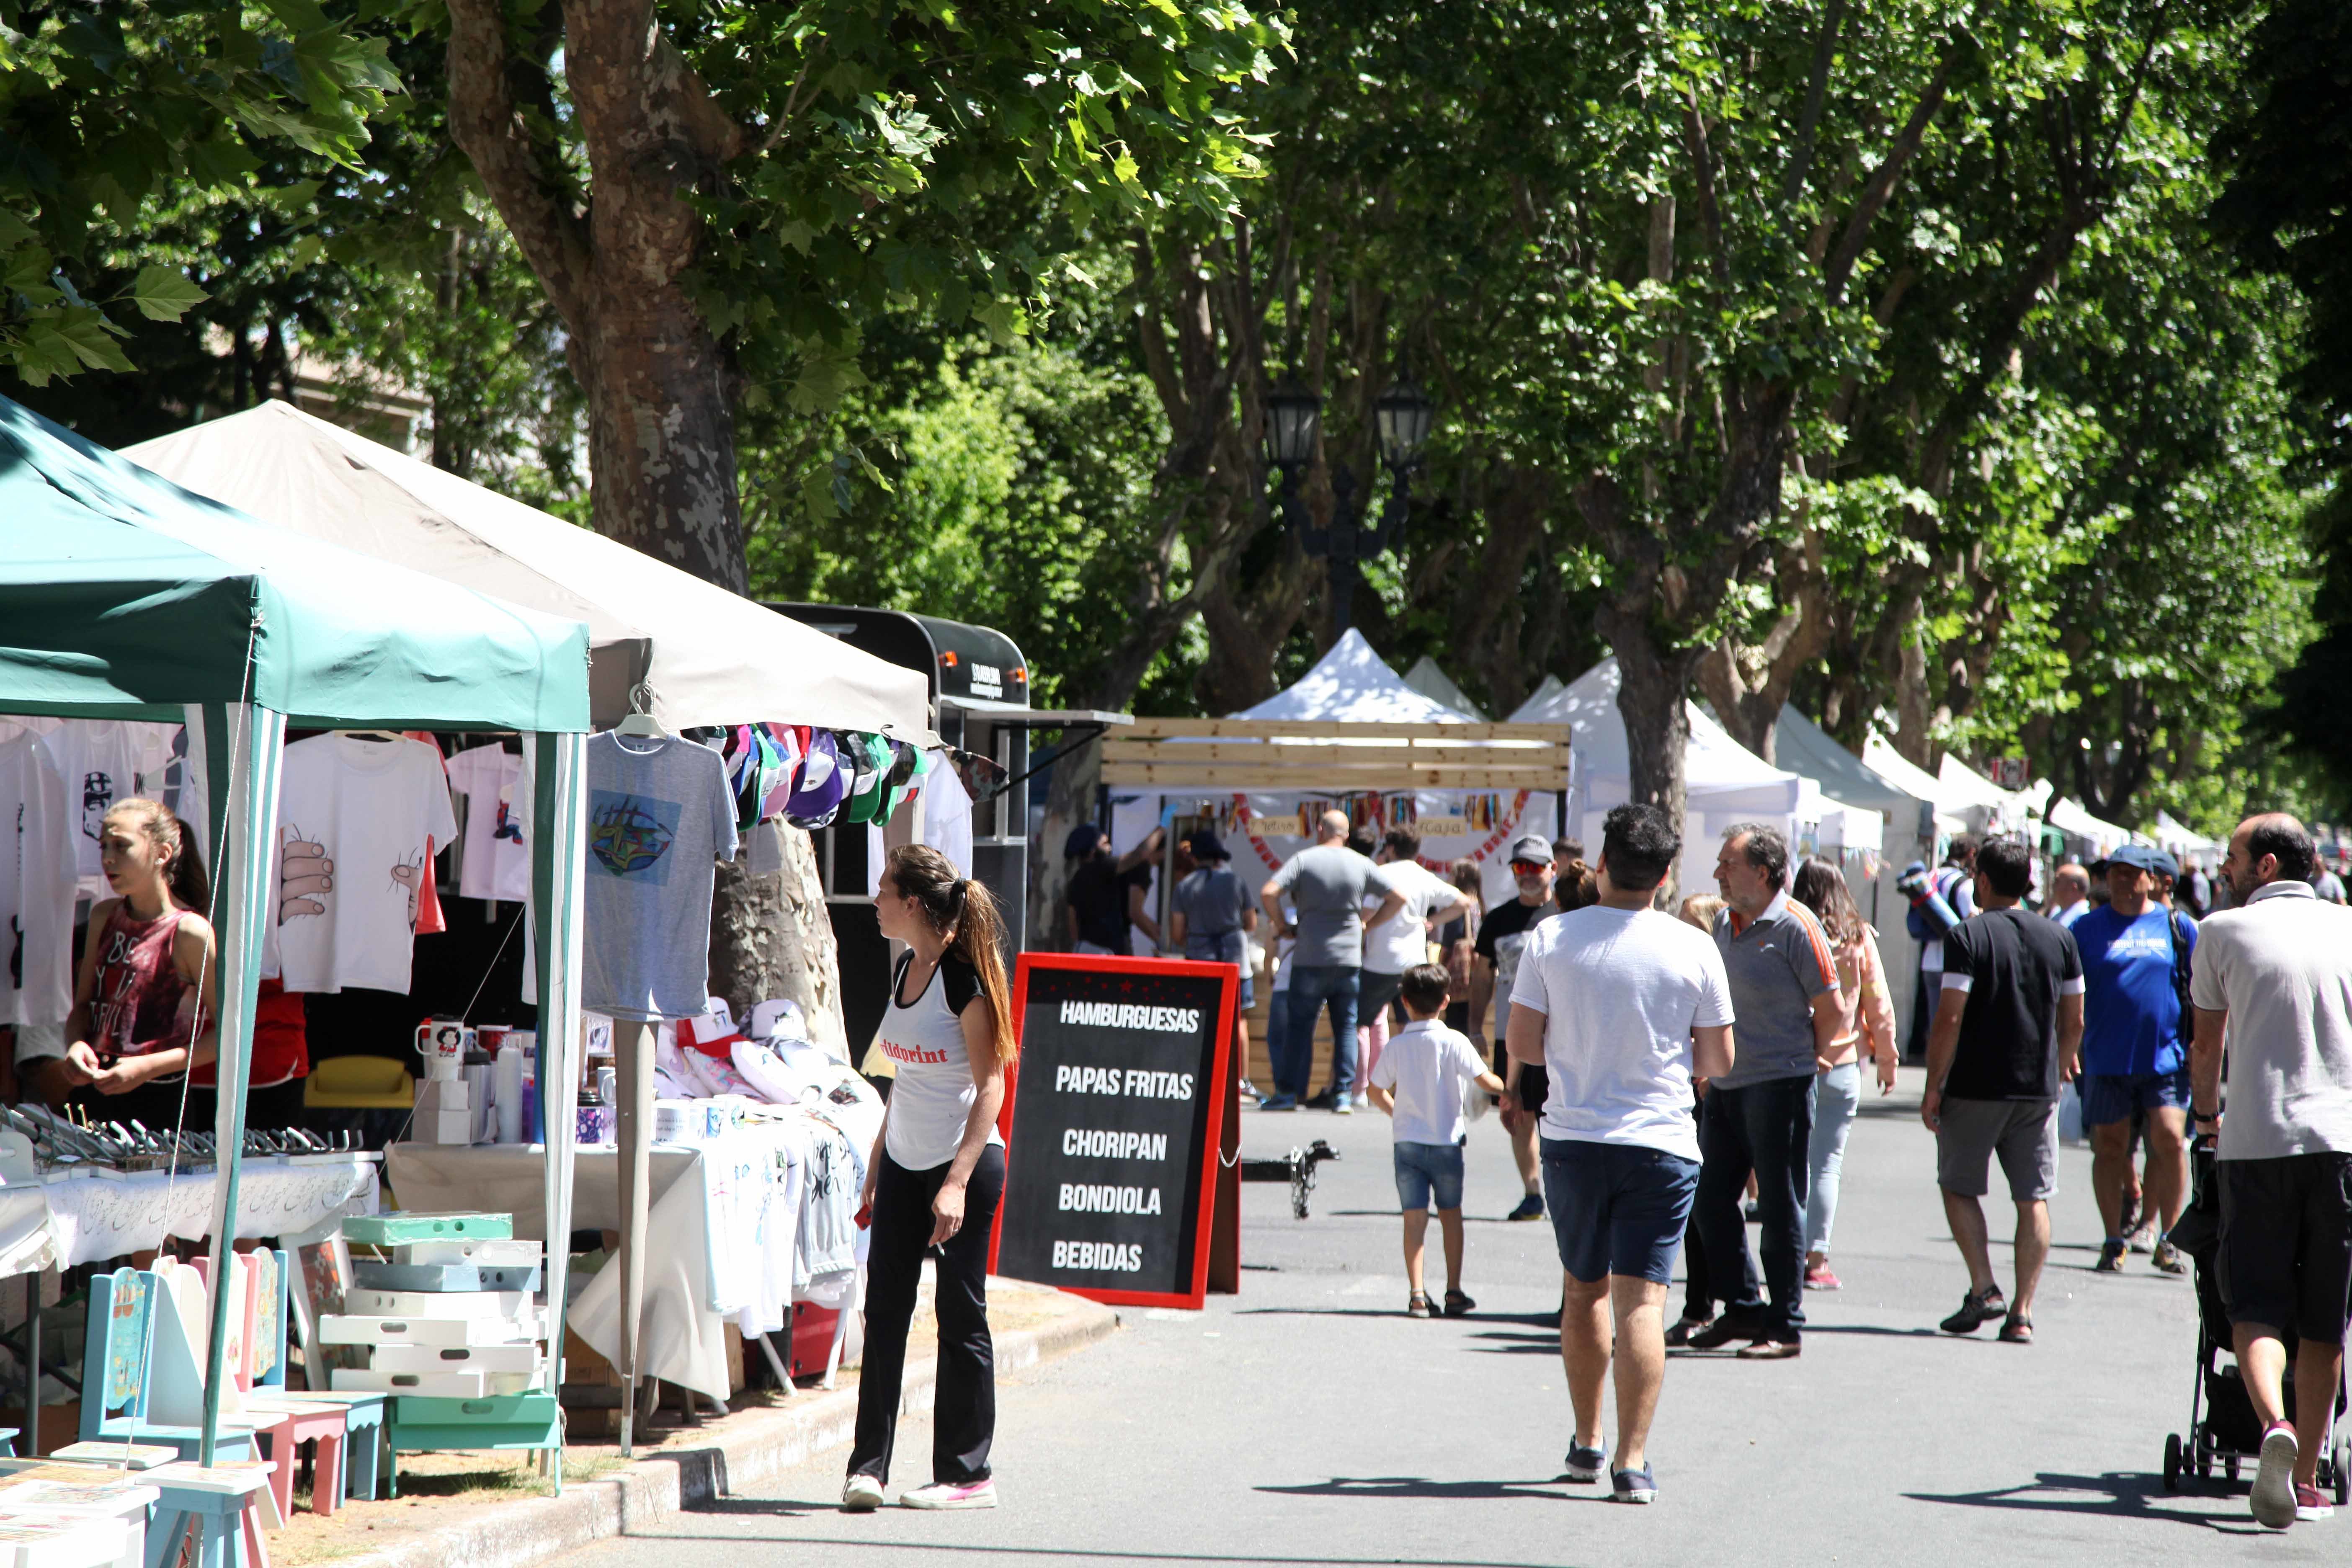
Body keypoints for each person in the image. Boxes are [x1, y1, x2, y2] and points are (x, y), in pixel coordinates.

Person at [1505, 804, 1735, 1505]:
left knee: (1583, 1288)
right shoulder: (1694, 945)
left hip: (1575, 1136)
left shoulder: (1551, 937)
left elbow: (1522, 1045)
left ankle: (1587, 1438)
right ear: (1666, 875)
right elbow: (1719, 1058)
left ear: (1602, 861)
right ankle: (1632, 1461)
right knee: (1645, 1299)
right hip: (1661, 1141)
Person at [2187, 813, 2352, 1530]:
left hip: (2256, 1139)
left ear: (2264, 864)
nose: (2224, 866)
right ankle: (2310, 1477)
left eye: (2231, 855)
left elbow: (2205, 1047)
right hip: (2343, 1142)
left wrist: (2204, 1121)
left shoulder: (2221, 931)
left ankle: (2275, 1425)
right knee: (2326, 1319)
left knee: (2252, 1305)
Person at [846, 844, 1017, 1512]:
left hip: (962, 1168)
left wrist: (956, 1183)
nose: (876, 900)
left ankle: (967, 1474)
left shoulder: (962, 977)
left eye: (885, 889)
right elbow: (907, 1080)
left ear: (913, 901)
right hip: (905, 1161)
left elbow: (991, 1087)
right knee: (884, 1311)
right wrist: (878, 1159)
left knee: (960, 1313)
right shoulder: (905, 971)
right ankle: (868, 1470)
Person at [1687, 825, 1841, 1359]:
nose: (1718, 875)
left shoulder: (1798, 926)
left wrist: (1806, 1060)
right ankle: (1744, 1308)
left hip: (1780, 1085)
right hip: (1727, 1086)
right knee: (1708, 1201)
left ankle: (1784, 1325)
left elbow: (1833, 1011)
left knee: (1779, 1205)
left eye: (1728, 864)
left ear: (1762, 870)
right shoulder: (1725, 927)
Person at [1921, 837, 2082, 1346]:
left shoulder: (1967, 936)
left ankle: (1983, 1285)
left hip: (1974, 1085)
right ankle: (2023, 1311)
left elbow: (1950, 1015)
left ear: (1982, 881)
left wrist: (1933, 1085)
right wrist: (2055, 1071)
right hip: (2035, 1090)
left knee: (1958, 1185)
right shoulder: (2060, 938)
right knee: (2033, 1197)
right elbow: (2074, 1019)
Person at [2071, 843, 2195, 1276]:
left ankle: (2169, 1238)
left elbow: (2207, 989)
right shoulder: (2086, 928)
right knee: (2109, 1148)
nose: (2123, 880)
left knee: (2169, 1138)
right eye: (2116, 872)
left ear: (2152, 879)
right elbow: (2068, 992)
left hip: (2166, 1058)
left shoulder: (2179, 927)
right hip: (2105, 1058)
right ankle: (2113, 1239)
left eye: (2133, 872)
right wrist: (2068, 1042)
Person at [59, 799, 221, 1128]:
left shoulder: (190, 932)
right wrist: (76, 1045)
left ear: (162, 854)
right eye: (104, 845)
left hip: (159, 1105)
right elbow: (84, 1007)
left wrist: (147, 1067)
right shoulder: (104, 915)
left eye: (122, 846)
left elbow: (229, 1034)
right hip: (94, 1093)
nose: (107, 858)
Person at [1368, 963, 1508, 1319]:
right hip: (1447, 1141)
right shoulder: (1455, 1041)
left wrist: (1397, 1112)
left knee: (1414, 1220)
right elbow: (1486, 1082)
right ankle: (1454, 1290)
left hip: (1408, 1143)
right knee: (1451, 1216)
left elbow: (1374, 1089)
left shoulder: (1398, 1046)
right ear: (1446, 1001)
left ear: (1405, 1002)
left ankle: (1417, 1294)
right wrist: (1510, 1088)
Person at [1790, 858, 1900, 1292]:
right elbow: (1879, 1002)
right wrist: (1887, 1058)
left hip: (1791, 1062)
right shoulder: (1858, 939)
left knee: (1788, 1165)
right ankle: (1816, 1259)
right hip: (1842, 1063)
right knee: (1826, 1167)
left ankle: (1784, 1253)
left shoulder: (1790, 932)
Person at [1261, 811, 1403, 1114]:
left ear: (1320, 829)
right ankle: (1342, 1095)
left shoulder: (1304, 860)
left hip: (1309, 956)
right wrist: (1370, 924)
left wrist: (1282, 927)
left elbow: (1269, 893)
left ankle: (1288, 1094)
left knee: (1299, 1028)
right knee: (1347, 1028)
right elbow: (1398, 898)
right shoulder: (1362, 864)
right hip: (1348, 960)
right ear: (1347, 835)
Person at [1470, 833, 1559, 1220]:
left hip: (1561, 1033)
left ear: (1552, 869)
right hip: (1513, 1032)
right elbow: (1481, 975)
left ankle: (1560, 1191)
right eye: (1520, 867)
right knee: (1519, 1113)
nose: (1528, 875)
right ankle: (1532, 1191)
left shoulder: (1567, 913)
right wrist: (1475, 1025)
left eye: (1536, 867)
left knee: (1558, 1114)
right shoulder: (1498, 919)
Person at [1361, 828, 1478, 1101]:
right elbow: (1463, 902)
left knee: (1361, 1026)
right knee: (1411, 1029)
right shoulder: (1424, 876)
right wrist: (1431, 924)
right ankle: (1409, 1090)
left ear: (1390, 848)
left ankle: (1359, 1089)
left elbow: (1365, 915)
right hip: (1414, 963)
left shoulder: (1382, 874)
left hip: (1379, 961)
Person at [1666, 893, 1726, 1345]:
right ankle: (1701, 1304)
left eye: (1687, 922)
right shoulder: (1682, 963)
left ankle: (1714, 1303)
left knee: (1707, 1205)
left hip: (1716, 1091)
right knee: (1698, 1209)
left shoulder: (1715, 968)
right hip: (1694, 1091)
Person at [1169, 830, 1260, 1104]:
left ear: (1194, 856)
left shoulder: (1184, 887)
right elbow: (1251, 924)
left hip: (1200, 959)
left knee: (1199, 1018)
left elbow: (1177, 934)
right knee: (1239, 1021)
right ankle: (1241, 1081)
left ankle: (1200, 1078)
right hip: (1235, 958)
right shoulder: (1236, 882)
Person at [1908, 837, 1978, 1057]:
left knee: (1935, 1024)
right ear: (1971, 854)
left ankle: (1933, 1073)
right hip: (1954, 965)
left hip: (1930, 960)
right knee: (1954, 1026)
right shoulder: (1964, 882)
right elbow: (1972, 919)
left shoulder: (1931, 876)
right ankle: (1946, 1081)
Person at [1063, 824, 1155, 956]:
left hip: (1086, 950)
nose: (1110, 848)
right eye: (1105, 844)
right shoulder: (1101, 868)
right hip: (1106, 954)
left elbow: (1073, 924)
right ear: (1092, 849)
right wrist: (1162, 828)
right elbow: (1139, 855)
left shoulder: (1077, 879)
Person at [1438, 858, 1483, 1035]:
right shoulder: (1479, 905)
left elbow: (1450, 942)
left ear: (1461, 877)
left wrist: (1441, 964)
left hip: (1458, 982)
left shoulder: (1459, 907)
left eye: (1451, 874)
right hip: (1475, 978)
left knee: (1455, 1026)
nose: (1449, 878)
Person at [2045, 862, 2092, 928]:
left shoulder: (2085, 916)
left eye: (2057, 881)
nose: (2053, 886)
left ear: (2073, 888)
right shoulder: (2057, 913)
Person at [1551, 836, 1587, 915]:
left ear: (1564, 858)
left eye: (1554, 859)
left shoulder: (1563, 890)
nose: (1552, 865)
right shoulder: (1593, 884)